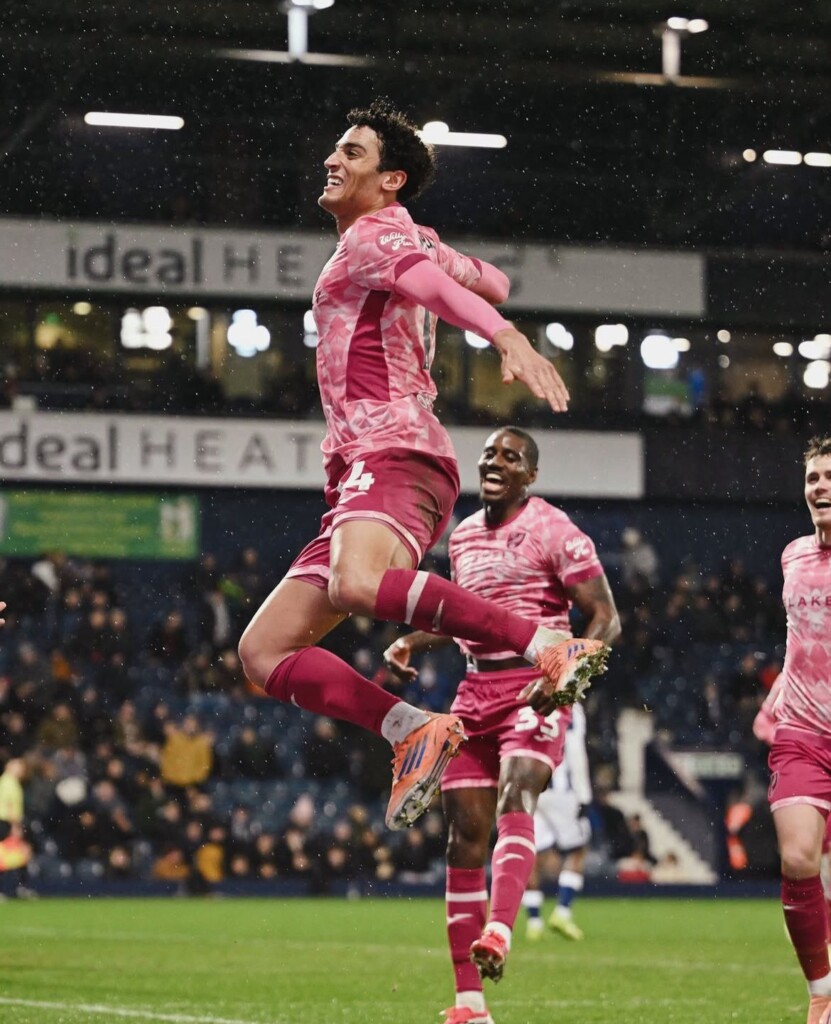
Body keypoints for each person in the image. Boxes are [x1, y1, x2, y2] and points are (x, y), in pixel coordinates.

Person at [237, 100, 609, 833]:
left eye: (352, 152)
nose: (331, 160)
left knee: (354, 584)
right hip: (362, 469)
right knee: (263, 651)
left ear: (391, 179)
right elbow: (491, 279)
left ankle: (544, 643)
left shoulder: (371, 235)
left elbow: (464, 296)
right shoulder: (398, 237)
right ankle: (410, 727)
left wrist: (506, 338)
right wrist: (433, 252)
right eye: (335, 148)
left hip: (395, 448)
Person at [383, 426, 620, 1024]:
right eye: (489, 453)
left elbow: (606, 618)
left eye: (510, 457)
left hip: (534, 688)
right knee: (463, 836)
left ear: (529, 475)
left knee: (518, 794)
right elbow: (468, 618)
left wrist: (563, 674)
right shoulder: (462, 535)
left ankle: (501, 930)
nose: (494, 462)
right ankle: (470, 1005)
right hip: (474, 691)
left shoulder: (554, 529)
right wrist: (413, 639)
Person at [760, 437, 831, 1024]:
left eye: (830, 477)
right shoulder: (792, 555)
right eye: (813, 478)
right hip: (802, 733)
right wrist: (778, 692)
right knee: (799, 857)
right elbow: (799, 638)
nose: (820, 486)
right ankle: (822, 993)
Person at [522, 702, 593, 942]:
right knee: (577, 850)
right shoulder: (571, 706)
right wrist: (584, 796)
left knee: (535, 855)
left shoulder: (529, 700)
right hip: (562, 791)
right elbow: (575, 750)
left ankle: (534, 922)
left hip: (532, 788)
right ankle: (562, 912)